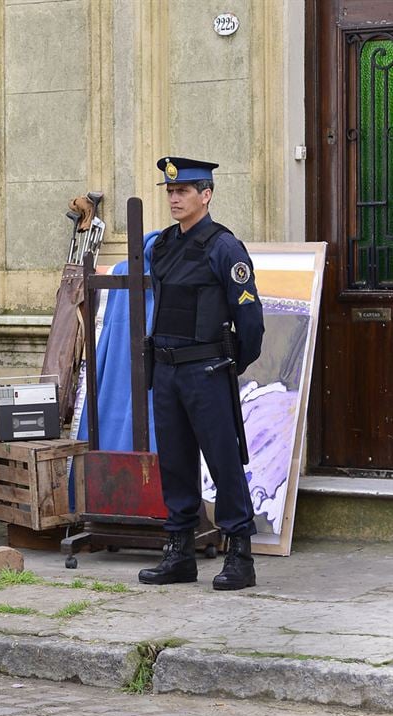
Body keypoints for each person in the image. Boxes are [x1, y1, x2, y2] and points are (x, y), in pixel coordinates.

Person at [139, 156, 264, 591]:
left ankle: (240, 555)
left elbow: (250, 320)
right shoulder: (163, 245)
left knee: (223, 461)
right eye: (170, 192)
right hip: (168, 372)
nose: (174, 198)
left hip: (208, 370)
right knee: (174, 462)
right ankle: (179, 553)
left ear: (205, 195)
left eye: (183, 191)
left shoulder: (225, 247)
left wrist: (231, 363)